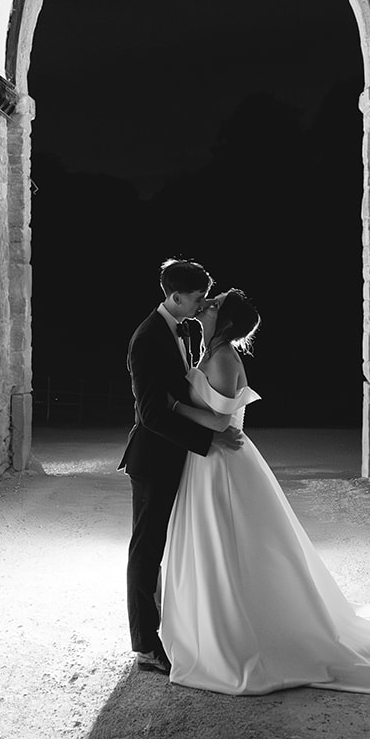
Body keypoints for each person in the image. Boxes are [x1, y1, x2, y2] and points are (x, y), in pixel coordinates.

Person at [157, 289, 370, 694]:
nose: (207, 304)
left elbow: (220, 421)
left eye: (215, 303)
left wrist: (172, 407)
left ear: (224, 319)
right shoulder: (209, 351)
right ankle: (210, 629)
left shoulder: (224, 358)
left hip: (223, 466)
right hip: (204, 464)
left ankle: (239, 637)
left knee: (231, 546)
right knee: (211, 547)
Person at [120, 259, 243, 674]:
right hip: (153, 459)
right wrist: (209, 438)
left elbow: (181, 395)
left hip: (177, 456)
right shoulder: (147, 338)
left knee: (173, 546)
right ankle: (145, 646)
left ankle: (179, 627)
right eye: (196, 298)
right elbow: (152, 414)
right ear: (174, 296)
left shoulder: (181, 331)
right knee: (146, 548)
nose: (202, 303)